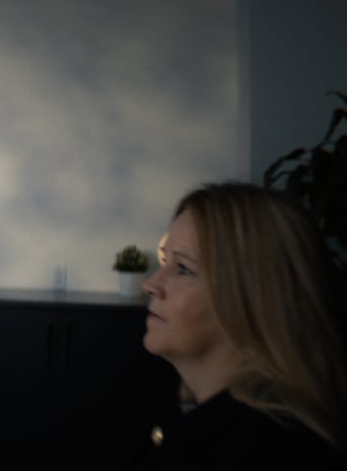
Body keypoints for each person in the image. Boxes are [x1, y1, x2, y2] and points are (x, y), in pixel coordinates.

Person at [133, 182, 347, 469]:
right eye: (164, 261)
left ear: (254, 295)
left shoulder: (267, 451)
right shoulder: (197, 416)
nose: (151, 285)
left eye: (183, 268)